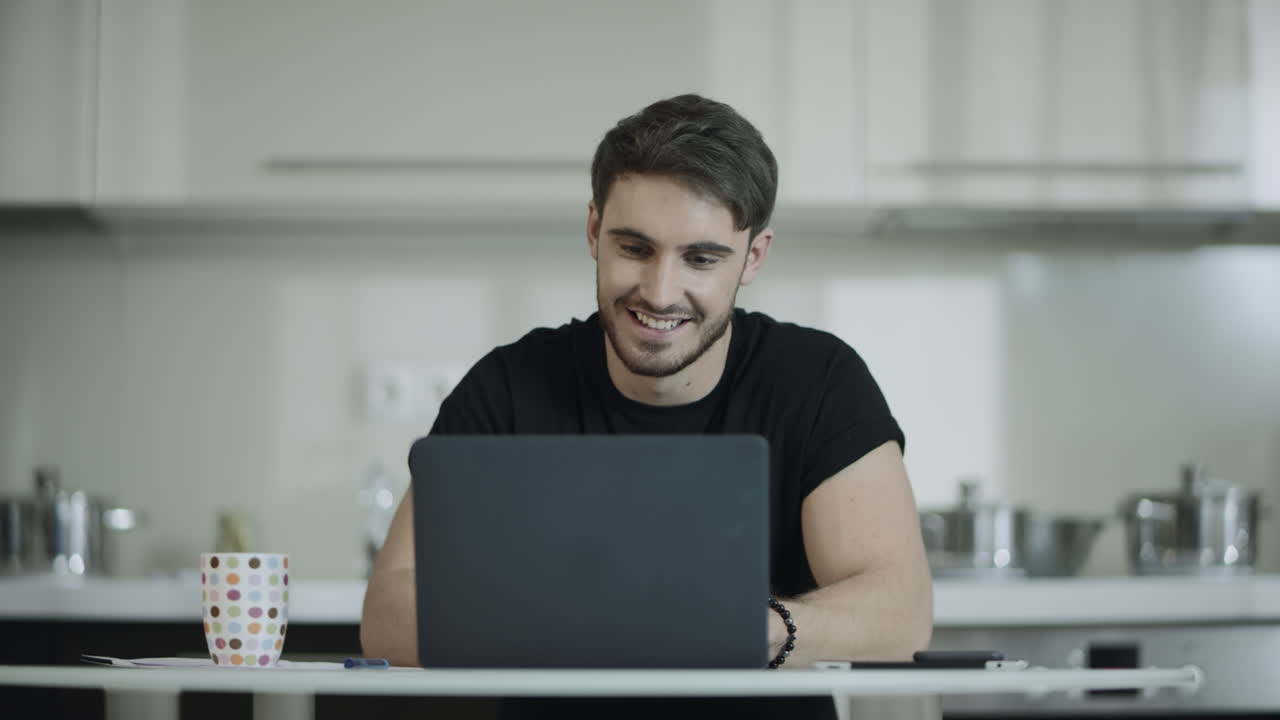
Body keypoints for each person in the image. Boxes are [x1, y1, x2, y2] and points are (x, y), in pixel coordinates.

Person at [361, 94, 932, 718]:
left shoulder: (818, 380)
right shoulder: (508, 386)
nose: (660, 293)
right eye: (634, 248)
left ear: (754, 258)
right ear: (593, 231)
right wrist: (640, 616)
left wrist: (740, 627)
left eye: (701, 258)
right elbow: (389, 616)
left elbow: (899, 617)